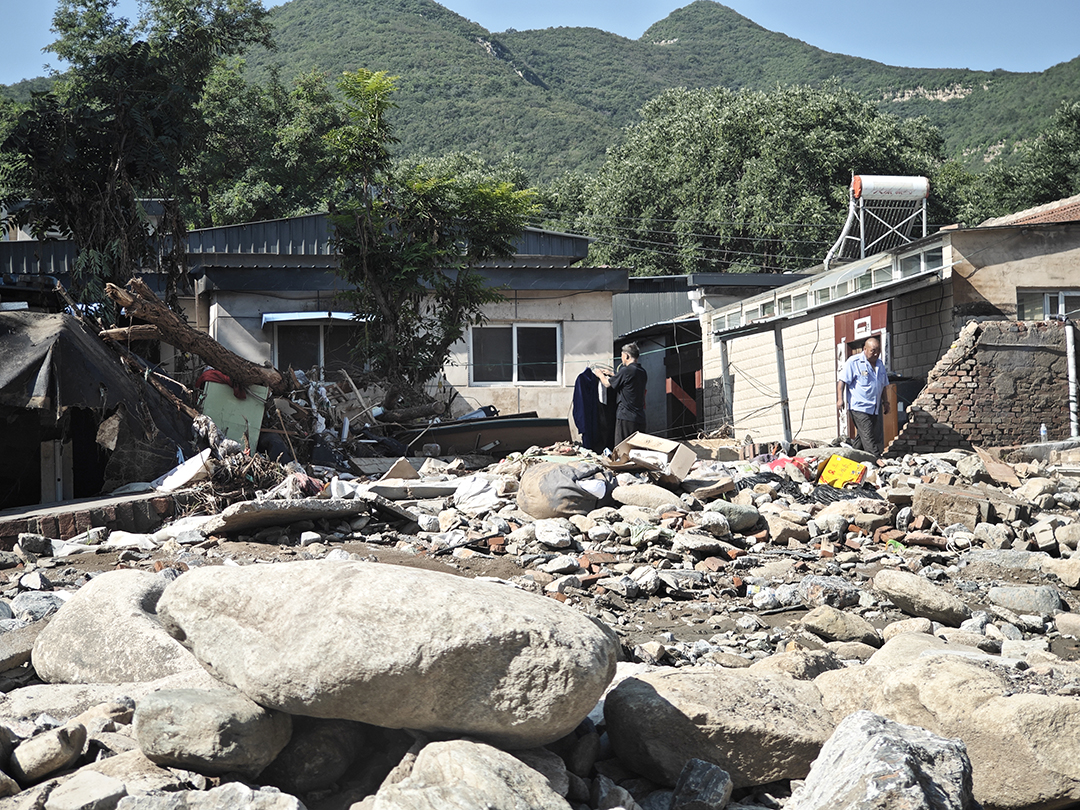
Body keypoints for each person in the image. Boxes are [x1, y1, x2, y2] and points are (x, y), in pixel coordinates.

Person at [836, 336, 890, 456]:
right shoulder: (853, 362)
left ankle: (852, 457)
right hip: (859, 407)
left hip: (874, 407)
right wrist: (840, 399)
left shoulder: (880, 365)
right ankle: (876, 459)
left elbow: (883, 385)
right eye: (873, 351)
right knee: (868, 434)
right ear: (865, 349)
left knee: (862, 437)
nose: (876, 354)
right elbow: (842, 381)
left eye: (878, 351)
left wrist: (885, 402)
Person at [598, 342, 647, 446]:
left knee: (622, 448)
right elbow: (627, 384)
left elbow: (607, 384)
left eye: (622, 355)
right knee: (637, 449)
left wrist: (600, 375)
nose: (621, 358)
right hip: (640, 418)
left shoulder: (626, 370)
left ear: (627, 356)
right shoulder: (642, 371)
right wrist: (613, 374)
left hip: (626, 418)